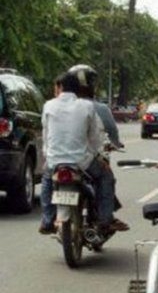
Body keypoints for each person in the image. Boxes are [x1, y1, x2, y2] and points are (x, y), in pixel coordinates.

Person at [39, 67, 128, 234]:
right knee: (105, 176)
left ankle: (47, 220)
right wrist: (98, 156)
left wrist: (48, 156)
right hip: (82, 161)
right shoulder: (87, 106)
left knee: (47, 181)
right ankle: (105, 219)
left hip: (55, 160)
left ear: (60, 87)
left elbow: (46, 135)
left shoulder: (48, 105)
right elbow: (96, 136)